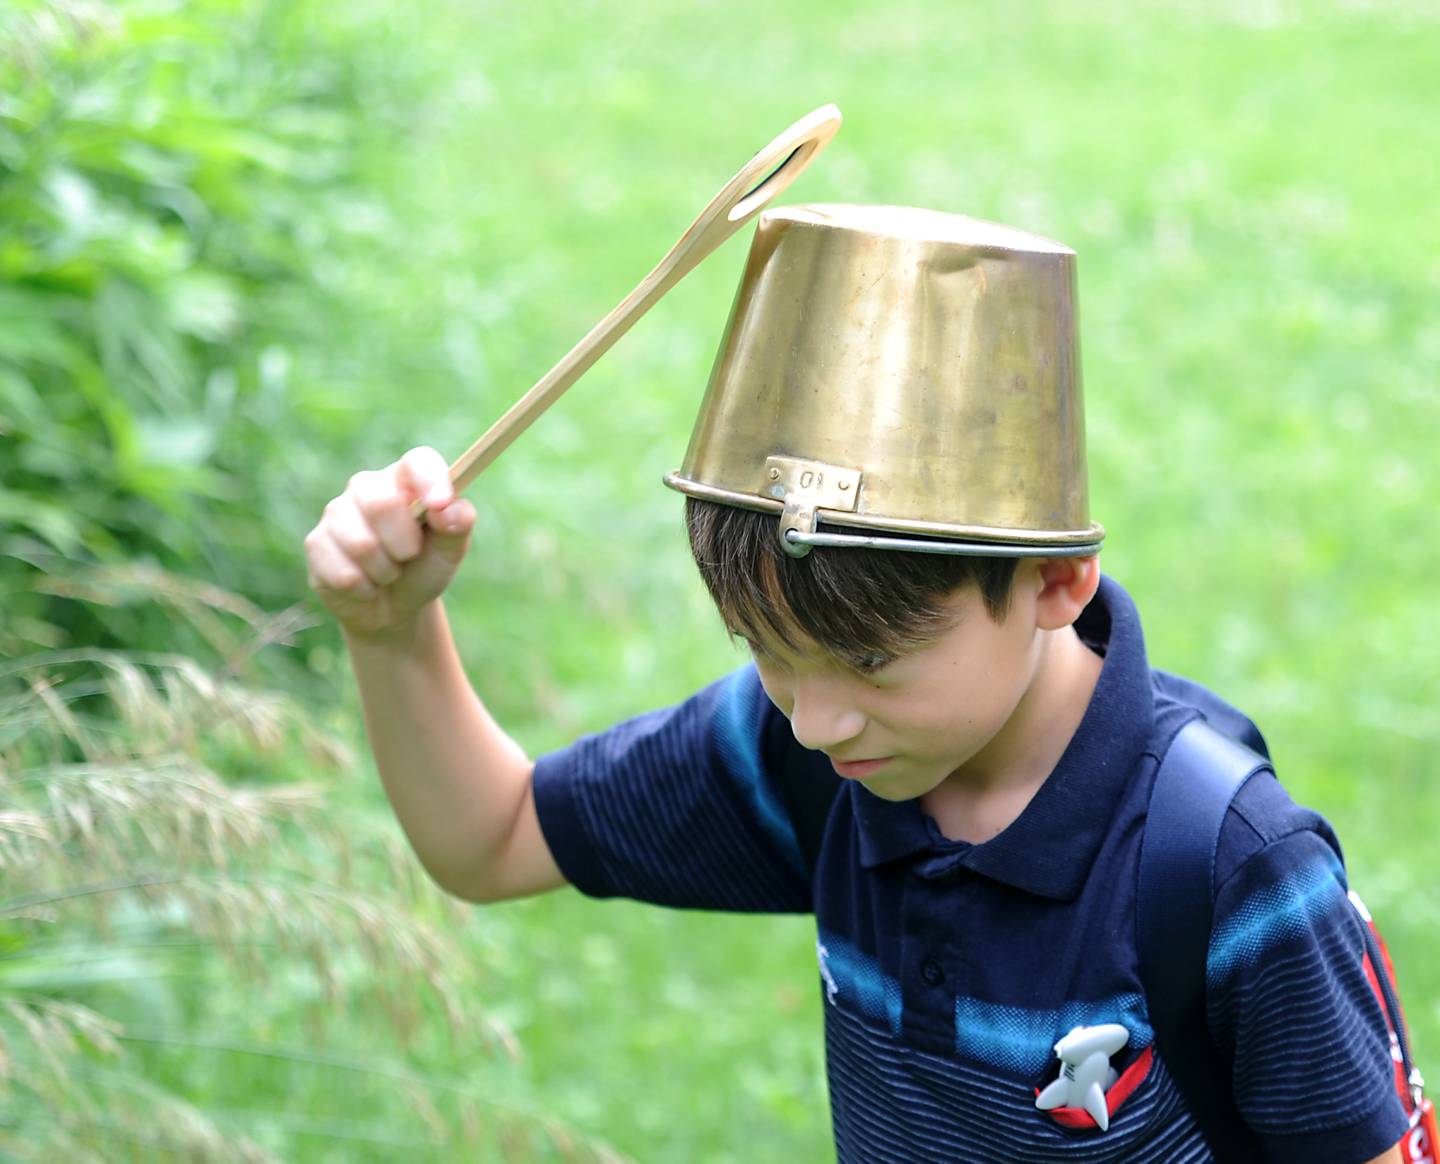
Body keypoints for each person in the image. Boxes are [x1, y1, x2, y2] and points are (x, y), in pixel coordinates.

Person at [304, 205, 1407, 1161]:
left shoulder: (1228, 869)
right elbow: (492, 837)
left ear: (1057, 582)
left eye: (872, 659)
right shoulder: (811, 761)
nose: (819, 716)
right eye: (768, 652)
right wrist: (393, 629)